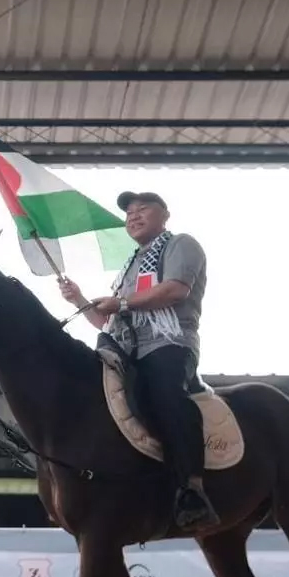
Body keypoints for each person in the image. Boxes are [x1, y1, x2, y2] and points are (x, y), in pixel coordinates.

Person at [58, 191, 219, 530]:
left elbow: (176, 290)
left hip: (168, 343)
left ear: (165, 214)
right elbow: (109, 324)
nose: (133, 215)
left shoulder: (181, 245)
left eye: (143, 208)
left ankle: (192, 487)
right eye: (129, 212)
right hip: (127, 348)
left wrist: (121, 304)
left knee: (165, 393)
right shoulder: (129, 266)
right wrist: (80, 301)